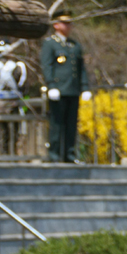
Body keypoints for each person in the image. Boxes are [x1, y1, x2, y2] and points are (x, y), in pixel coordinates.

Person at [40, 10, 91, 163]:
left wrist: (85, 87)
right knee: (56, 124)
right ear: (56, 25)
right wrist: (51, 85)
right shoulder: (50, 44)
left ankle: (69, 154)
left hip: (72, 90)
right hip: (58, 90)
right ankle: (54, 154)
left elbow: (80, 68)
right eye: (65, 23)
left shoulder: (74, 45)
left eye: (69, 23)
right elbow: (47, 65)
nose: (68, 26)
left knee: (71, 124)